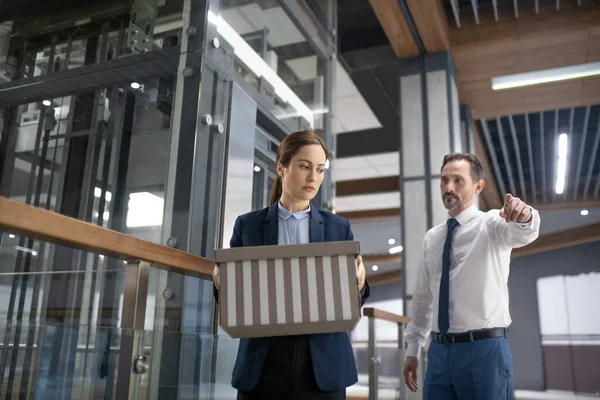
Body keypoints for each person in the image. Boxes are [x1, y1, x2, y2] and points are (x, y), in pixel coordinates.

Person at [213, 130, 370, 399]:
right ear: (281, 167)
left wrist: (359, 284)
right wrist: (221, 285)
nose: (313, 178)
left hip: (323, 366)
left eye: (320, 170)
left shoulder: (337, 227)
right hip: (264, 364)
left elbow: (353, 298)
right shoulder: (248, 226)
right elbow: (234, 298)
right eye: (305, 166)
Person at [403, 153, 540, 400]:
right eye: (444, 180)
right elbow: (423, 301)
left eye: (458, 180)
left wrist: (525, 215)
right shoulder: (432, 238)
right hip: (439, 354)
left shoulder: (492, 224)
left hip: (484, 352)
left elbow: (524, 233)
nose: (449, 187)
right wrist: (412, 349)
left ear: (478, 186)